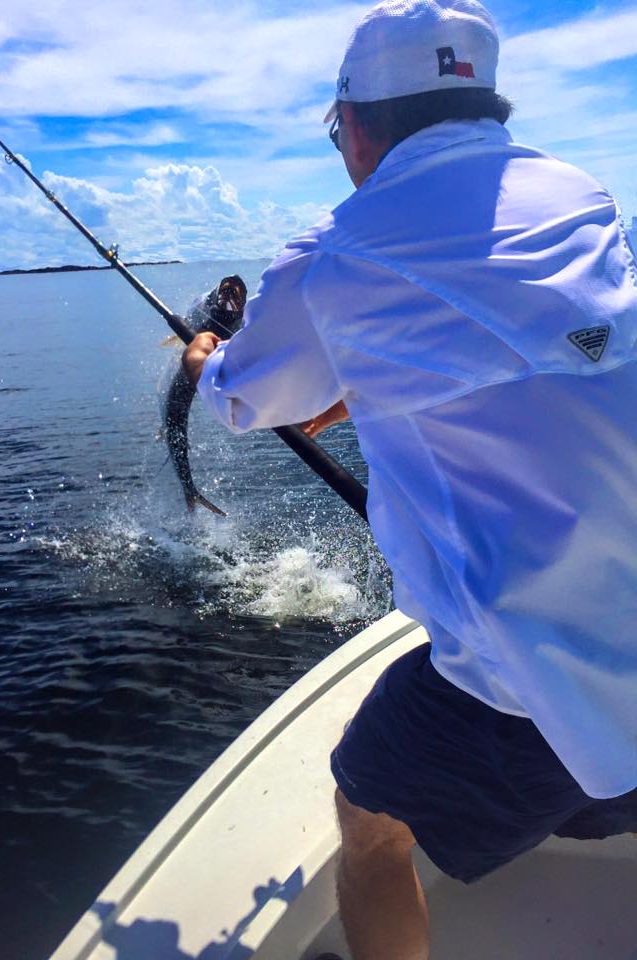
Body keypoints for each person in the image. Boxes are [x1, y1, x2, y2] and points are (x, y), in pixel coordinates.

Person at [183, 1, 637, 957]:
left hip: (531, 675)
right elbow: (554, 356)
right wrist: (379, 384)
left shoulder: (337, 254)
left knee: (369, 815)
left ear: (353, 125)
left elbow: (244, 401)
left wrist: (201, 362)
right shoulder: (585, 203)